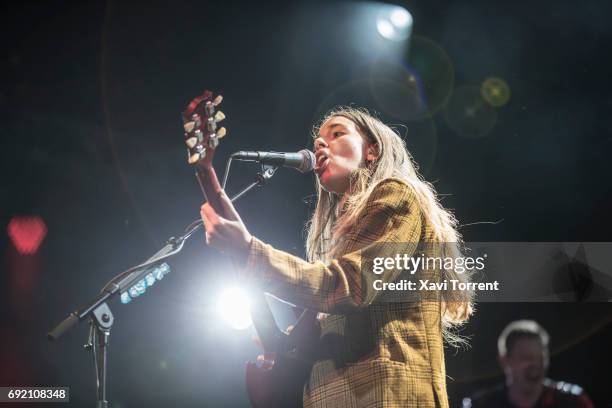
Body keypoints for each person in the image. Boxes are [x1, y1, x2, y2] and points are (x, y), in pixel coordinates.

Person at [200, 107, 473, 407]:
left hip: (387, 396)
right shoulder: (344, 242)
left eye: (337, 133)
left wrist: (249, 249)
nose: (319, 144)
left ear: (372, 150)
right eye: (317, 139)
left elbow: (351, 285)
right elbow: (301, 338)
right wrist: (206, 174)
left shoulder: (396, 195)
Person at [463, 320, 594, 408]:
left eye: (540, 357)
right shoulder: (480, 405)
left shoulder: (573, 402)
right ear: (504, 361)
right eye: (526, 357)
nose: (535, 364)